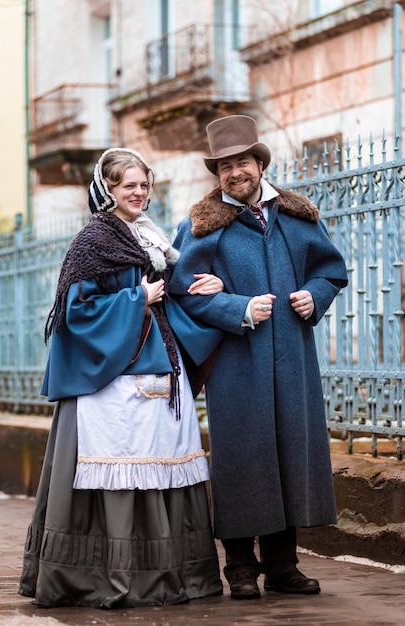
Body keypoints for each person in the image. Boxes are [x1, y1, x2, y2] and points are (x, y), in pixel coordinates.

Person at [18, 148, 224, 609]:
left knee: (164, 471)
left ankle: (170, 576)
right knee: (116, 474)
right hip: (110, 385)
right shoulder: (92, 241)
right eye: (128, 185)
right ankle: (106, 578)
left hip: (158, 379)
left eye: (144, 184)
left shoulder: (151, 239)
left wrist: (203, 285)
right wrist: (137, 297)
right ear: (106, 190)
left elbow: (170, 294)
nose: (138, 192)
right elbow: (75, 313)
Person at [168, 115, 348, 600]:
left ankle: (283, 566)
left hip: (292, 356)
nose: (234, 173)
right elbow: (182, 291)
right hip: (235, 363)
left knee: (290, 453)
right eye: (224, 166)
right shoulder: (201, 226)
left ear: (260, 163)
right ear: (217, 173)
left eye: (242, 162)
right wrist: (236, 307)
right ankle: (241, 568)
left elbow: (331, 271)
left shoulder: (296, 214)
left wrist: (315, 296)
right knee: (243, 459)